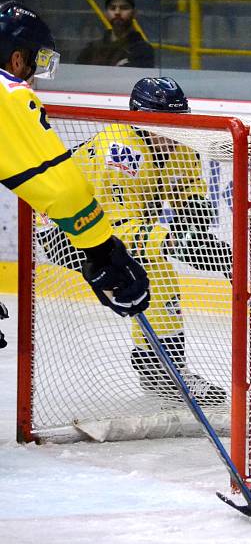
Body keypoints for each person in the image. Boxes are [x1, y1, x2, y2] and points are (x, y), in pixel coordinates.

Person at [38, 77, 229, 407]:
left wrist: (196, 225)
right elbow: (114, 234)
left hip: (111, 229)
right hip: (64, 231)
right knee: (152, 268)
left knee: (154, 263)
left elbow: (191, 200)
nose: (174, 128)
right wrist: (182, 245)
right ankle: (164, 373)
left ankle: (157, 369)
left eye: (179, 119)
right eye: (165, 121)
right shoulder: (120, 153)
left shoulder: (177, 144)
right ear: (140, 118)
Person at [0, 0, 150, 320]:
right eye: (31, 66)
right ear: (16, 59)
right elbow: (59, 188)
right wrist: (102, 251)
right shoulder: (7, 93)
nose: (31, 78)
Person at [76, 0, 154, 68]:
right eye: (112, 8)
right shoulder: (91, 49)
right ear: (106, 14)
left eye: (124, 8)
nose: (117, 12)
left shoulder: (143, 51)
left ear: (134, 13)